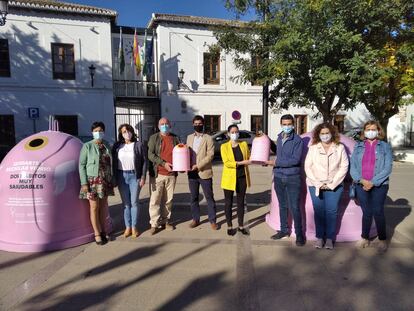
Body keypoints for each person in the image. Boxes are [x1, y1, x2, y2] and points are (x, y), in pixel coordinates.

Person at [304, 123, 349, 249]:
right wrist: (318, 183)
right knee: (318, 212)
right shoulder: (313, 148)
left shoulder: (339, 147)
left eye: (327, 133)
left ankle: (329, 238)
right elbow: (308, 166)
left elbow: (344, 166)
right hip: (315, 184)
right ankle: (319, 238)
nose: (325, 135)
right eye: (322, 133)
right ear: (318, 135)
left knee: (331, 212)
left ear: (332, 133)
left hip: (334, 185)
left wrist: (333, 183)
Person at [350, 120, 392, 252]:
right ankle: (365, 238)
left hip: (379, 185)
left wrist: (373, 182)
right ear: (364, 131)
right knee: (366, 212)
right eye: (368, 129)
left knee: (378, 212)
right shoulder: (358, 146)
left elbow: (387, 167)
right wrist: (361, 180)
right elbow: (353, 167)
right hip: (361, 184)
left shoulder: (385, 147)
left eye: (373, 129)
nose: (370, 131)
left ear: (379, 131)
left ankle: (382, 239)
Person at [270, 114, 305, 246]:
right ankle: (284, 230)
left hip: (292, 177)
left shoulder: (297, 140)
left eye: (289, 124)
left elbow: (295, 160)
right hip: (279, 176)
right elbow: (279, 155)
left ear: (293, 124)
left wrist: (275, 162)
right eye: (284, 124)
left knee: (295, 207)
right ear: (281, 124)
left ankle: (299, 234)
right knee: (282, 205)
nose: (287, 126)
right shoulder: (279, 138)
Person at [79, 121, 114, 245]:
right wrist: (84, 184)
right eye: (95, 131)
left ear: (104, 132)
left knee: (103, 207)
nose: (98, 133)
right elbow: (81, 165)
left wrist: (112, 179)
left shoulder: (106, 145)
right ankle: (97, 233)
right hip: (93, 181)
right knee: (94, 207)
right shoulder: (87, 146)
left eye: (100, 131)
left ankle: (104, 231)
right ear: (92, 132)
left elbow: (111, 163)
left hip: (105, 181)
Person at [112, 124, 147, 238]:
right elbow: (113, 162)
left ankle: (134, 227)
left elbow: (144, 161)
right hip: (122, 176)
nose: (127, 133)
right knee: (126, 204)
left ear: (132, 132)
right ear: (121, 134)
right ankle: (127, 227)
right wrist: (114, 178)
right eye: (124, 131)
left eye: (128, 131)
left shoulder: (138, 145)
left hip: (134, 176)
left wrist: (142, 177)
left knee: (134, 202)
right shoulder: (117, 146)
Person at [147, 117, 180, 235]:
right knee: (155, 200)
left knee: (168, 200)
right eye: (162, 124)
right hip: (158, 174)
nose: (164, 125)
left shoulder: (175, 138)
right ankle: (154, 224)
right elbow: (150, 155)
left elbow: (180, 154)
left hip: (172, 174)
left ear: (170, 125)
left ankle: (166, 221)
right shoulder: (154, 138)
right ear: (158, 125)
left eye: (166, 123)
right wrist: (163, 163)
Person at [187, 115, 218, 230]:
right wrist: (185, 165)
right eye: (196, 123)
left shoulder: (208, 138)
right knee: (193, 198)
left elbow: (210, 155)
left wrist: (198, 166)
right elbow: (187, 153)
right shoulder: (189, 137)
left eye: (200, 124)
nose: (198, 125)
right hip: (191, 172)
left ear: (203, 124)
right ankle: (196, 219)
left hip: (204, 171)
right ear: (193, 124)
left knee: (209, 197)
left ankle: (213, 220)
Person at [220, 124, 251, 236]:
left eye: (236, 132)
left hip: (242, 177)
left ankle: (241, 226)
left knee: (241, 203)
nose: (235, 134)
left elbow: (249, 157)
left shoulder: (243, 144)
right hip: (229, 179)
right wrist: (241, 163)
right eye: (232, 132)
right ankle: (229, 226)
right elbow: (227, 163)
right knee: (228, 203)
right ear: (228, 134)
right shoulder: (224, 147)